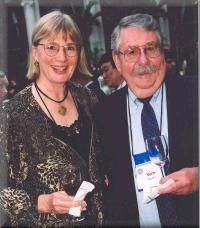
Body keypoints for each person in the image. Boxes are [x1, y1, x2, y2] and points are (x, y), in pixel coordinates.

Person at [0, 10, 104, 227]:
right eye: (51, 47)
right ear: (35, 53)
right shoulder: (13, 115)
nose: (62, 57)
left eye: (70, 48)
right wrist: (43, 202)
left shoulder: (90, 100)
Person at [94, 13, 198, 227]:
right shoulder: (103, 115)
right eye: (131, 52)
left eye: (150, 49)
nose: (143, 61)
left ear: (162, 52)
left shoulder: (194, 94)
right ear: (117, 61)